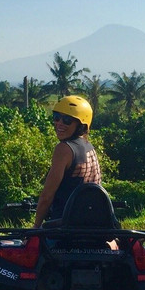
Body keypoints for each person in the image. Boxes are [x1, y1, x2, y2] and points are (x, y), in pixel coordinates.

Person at [33, 95, 102, 227]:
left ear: (81, 124)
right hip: (93, 225)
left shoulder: (64, 149)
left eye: (67, 120)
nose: (59, 123)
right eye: (56, 117)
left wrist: (35, 227)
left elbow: (47, 196)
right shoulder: (89, 147)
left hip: (65, 229)